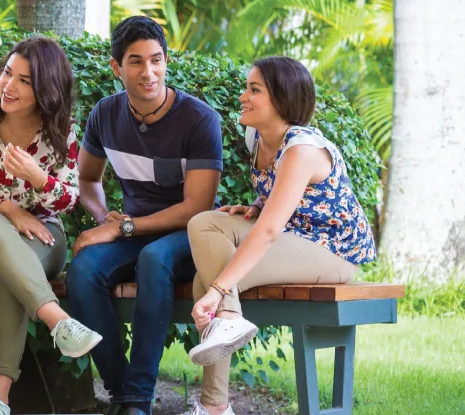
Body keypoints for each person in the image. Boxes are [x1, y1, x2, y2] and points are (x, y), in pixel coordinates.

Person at [179, 57, 377, 415]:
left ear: (283, 100)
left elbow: (270, 231)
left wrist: (219, 289)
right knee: (205, 225)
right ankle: (228, 324)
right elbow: (280, 198)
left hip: (331, 251)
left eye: (255, 90)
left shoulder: (302, 149)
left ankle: (214, 408)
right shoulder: (257, 136)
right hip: (296, 235)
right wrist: (256, 204)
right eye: (247, 87)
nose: (243, 96)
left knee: (211, 282)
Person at [0, 35, 103, 415]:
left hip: (41, 236)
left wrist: (38, 178)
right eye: (9, 73)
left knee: (6, 271)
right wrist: (7, 207)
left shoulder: (60, 128)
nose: (9, 86)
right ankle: (58, 322)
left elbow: (68, 198)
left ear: (47, 90)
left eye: (25, 81)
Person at [64, 16, 224, 415]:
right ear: (116, 67)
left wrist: (125, 227)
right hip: (133, 231)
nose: (148, 72)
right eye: (135, 61)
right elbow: (86, 180)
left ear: (167, 61)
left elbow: (196, 208)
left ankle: (137, 398)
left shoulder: (200, 119)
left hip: (191, 234)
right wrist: (106, 220)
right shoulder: (105, 114)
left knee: (155, 259)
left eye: (156, 60)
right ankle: (123, 394)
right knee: (83, 269)